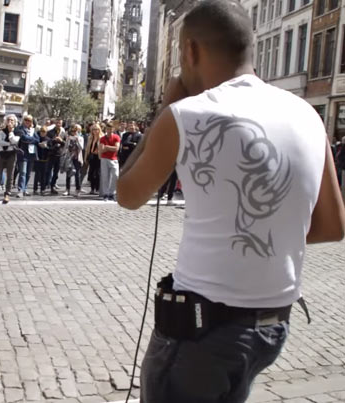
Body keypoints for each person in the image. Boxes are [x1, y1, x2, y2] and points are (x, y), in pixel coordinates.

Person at [116, 1, 345, 402]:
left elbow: (128, 195)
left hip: (202, 330)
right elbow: (332, 226)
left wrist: (166, 109)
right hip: (271, 326)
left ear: (190, 51)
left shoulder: (187, 114)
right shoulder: (308, 113)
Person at [0, 114, 20, 204]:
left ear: (15, 122)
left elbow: (15, 140)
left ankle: (7, 194)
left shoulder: (17, 131)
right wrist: (10, 144)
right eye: (8, 120)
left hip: (11, 155)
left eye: (12, 121)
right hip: (2, 154)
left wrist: (10, 132)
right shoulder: (2, 131)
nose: (9, 122)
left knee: (10, 176)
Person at [16, 115, 39, 198]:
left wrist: (31, 139)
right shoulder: (20, 129)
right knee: (23, 172)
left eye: (29, 120)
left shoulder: (33, 130)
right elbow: (23, 138)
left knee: (28, 173)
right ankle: (20, 190)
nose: (27, 122)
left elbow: (38, 140)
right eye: (26, 120)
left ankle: (25, 188)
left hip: (32, 154)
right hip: (23, 154)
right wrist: (32, 139)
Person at [98, 123, 120, 201]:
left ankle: (112, 192)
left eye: (110, 129)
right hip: (104, 158)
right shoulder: (102, 138)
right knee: (105, 176)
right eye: (107, 129)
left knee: (115, 175)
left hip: (114, 159)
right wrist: (110, 148)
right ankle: (106, 194)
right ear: (106, 129)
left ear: (113, 129)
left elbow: (116, 148)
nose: (109, 130)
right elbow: (101, 149)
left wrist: (107, 147)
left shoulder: (116, 137)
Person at [63, 124, 84, 197]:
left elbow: (81, 148)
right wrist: (68, 140)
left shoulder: (81, 138)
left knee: (77, 174)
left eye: (75, 131)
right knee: (68, 174)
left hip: (77, 158)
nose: (74, 133)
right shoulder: (69, 138)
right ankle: (67, 189)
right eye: (72, 131)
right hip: (69, 157)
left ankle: (77, 189)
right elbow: (65, 147)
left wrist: (77, 140)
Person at [84, 123, 102, 195]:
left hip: (98, 157)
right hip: (91, 157)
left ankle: (97, 188)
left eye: (97, 129)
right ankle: (92, 189)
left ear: (99, 130)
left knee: (97, 174)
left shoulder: (102, 138)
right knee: (91, 173)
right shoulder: (90, 137)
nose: (95, 131)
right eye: (94, 129)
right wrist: (85, 158)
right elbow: (87, 149)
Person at [33, 126, 50, 195]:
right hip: (37, 158)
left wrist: (46, 147)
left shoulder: (48, 139)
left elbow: (51, 148)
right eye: (41, 132)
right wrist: (38, 144)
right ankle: (35, 189)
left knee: (43, 175)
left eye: (44, 132)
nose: (42, 133)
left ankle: (43, 189)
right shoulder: (37, 139)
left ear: (46, 132)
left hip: (45, 159)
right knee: (37, 174)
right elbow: (34, 145)